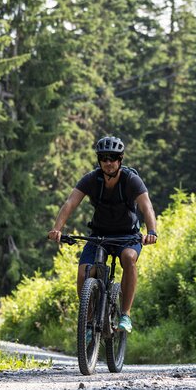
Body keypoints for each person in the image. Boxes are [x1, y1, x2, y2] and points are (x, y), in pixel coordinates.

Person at [47, 136, 158, 333]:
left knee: (129, 258)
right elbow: (70, 203)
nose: (108, 162)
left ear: (120, 159)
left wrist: (151, 232)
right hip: (100, 235)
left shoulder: (131, 180)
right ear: (99, 160)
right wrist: (57, 229)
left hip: (128, 235)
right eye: (104, 158)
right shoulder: (91, 179)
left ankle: (125, 314)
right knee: (84, 273)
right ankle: (89, 323)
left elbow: (146, 206)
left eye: (113, 158)